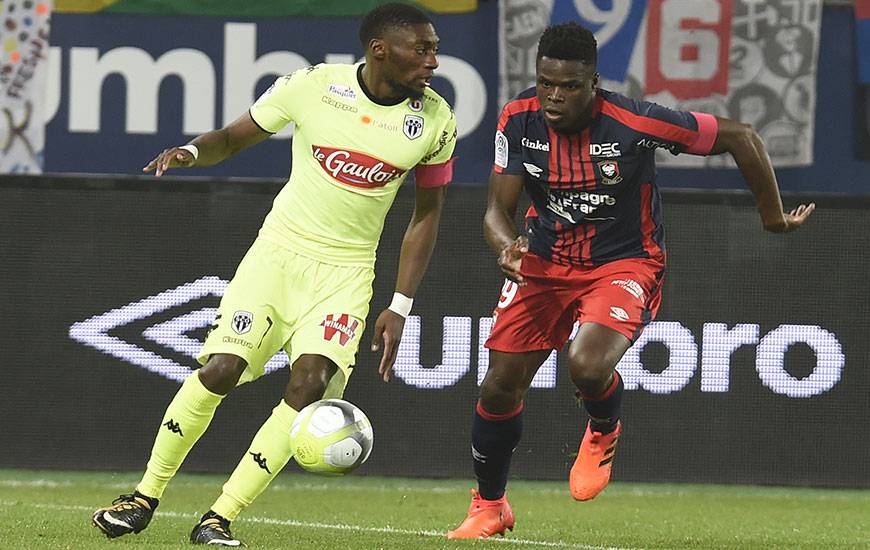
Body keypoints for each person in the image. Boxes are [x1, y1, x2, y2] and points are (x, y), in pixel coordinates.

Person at [91, 3, 456, 546]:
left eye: (435, 48)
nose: (433, 59)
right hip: (277, 257)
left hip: (348, 273)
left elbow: (426, 215)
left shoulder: (435, 120)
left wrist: (399, 304)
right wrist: (192, 150)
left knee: (309, 387)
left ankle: (219, 518)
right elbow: (234, 137)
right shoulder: (312, 86)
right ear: (381, 49)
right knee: (221, 369)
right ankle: (144, 496)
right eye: (422, 48)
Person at [447, 21, 814, 539]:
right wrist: (506, 245)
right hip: (544, 263)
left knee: (587, 365)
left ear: (593, 83)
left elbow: (741, 136)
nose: (554, 96)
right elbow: (495, 211)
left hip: (623, 262)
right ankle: (489, 505)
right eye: (546, 82)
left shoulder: (634, 120)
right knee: (499, 386)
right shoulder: (518, 117)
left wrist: (773, 217)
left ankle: (602, 427)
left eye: (569, 86)